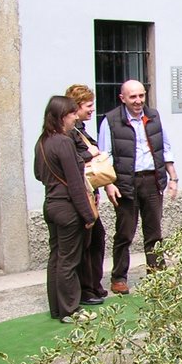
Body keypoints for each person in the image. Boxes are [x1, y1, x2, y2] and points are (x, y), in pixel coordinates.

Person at [97, 79, 179, 295]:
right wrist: (109, 185)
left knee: (154, 232)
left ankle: (157, 274)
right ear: (122, 98)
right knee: (125, 233)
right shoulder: (110, 121)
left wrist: (173, 178)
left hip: (152, 180)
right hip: (126, 182)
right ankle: (119, 278)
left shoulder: (153, 117)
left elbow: (165, 147)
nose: (138, 101)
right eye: (133, 97)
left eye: (141, 96)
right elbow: (105, 156)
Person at [34, 96, 97, 322]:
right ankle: (70, 309)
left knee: (56, 258)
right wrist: (88, 215)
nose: (75, 118)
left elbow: (38, 174)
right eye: (72, 114)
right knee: (69, 260)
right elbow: (75, 183)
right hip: (67, 207)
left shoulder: (42, 141)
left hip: (50, 204)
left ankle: (57, 307)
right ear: (63, 117)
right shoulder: (63, 142)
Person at [65, 84, 106, 305]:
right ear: (77, 106)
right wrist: (89, 153)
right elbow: (73, 159)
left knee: (96, 239)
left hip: (91, 192)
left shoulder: (80, 129)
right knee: (88, 242)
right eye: (89, 105)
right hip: (80, 197)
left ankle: (94, 286)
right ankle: (86, 289)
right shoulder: (69, 133)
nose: (92, 109)